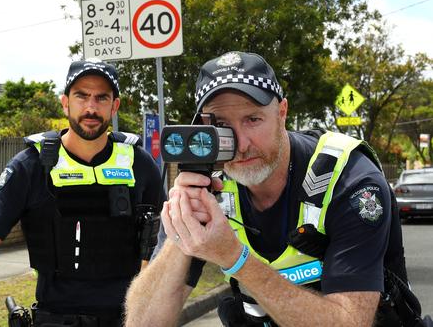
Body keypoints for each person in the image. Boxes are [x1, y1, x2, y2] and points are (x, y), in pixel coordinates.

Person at [124, 51, 420, 326]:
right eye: (222, 125)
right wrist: (181, 237)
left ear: (282, 111)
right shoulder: (208, 182)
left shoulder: (349, 181)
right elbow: (142, 321)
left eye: (252, 119)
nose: (239, 144)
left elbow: (350, 321)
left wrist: (235, 258)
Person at [0, 59, 165, 326]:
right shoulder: (31, 165)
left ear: (114, 105)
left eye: (101, 98)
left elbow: (168, 243)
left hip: (127, 319)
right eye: (81, 96)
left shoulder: (139, 164)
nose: (91, 108)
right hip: (56, 319)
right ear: (65, 102)